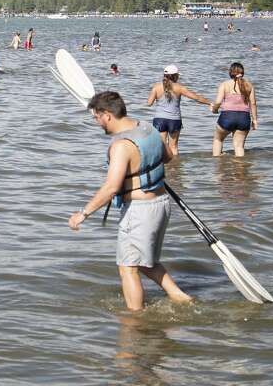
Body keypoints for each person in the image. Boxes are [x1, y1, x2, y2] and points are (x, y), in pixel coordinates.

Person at [67, 91, 190, 308]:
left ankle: (134, 322)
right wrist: (144, 164)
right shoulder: (148, 128)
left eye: (96, 118)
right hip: (161, 204)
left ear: (107, 115)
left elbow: (111, 187)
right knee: (145, 263)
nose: (97, 123)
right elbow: (169, 157)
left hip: (140, 211)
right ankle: (182, 299)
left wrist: (83, 213)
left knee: (128, 267)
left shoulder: (121, 146)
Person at [145, 65, 213, 159]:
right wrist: (209, 103)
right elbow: (196, 98)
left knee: (162, 146)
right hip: (174, 120)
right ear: (175, 76)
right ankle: (175, 168)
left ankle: (162, 168)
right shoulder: (179, 87)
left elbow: (149, 103)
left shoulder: (156, 87)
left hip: (159, 120)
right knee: (174, 147)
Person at [211, 62, 257, 157]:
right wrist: (255, 120)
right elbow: (253, 103)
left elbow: (218, 102)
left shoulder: (224, 84)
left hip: (227, 117)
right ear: (242, 73)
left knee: (218, 139)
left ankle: (217, 165)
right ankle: (240, 169)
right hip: (244, 118)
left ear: (230, 72)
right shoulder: (249, 85)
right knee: (239, 146)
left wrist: (214, 110)